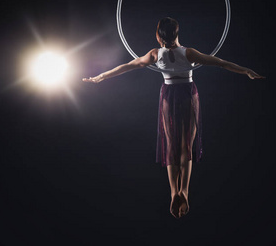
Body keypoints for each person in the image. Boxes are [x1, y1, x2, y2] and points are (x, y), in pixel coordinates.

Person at [83, 17, 264, 218]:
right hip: (187, 93)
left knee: (171, 144)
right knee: (186, 144)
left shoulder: (155, 54)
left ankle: (173, 192)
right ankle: (183, 191)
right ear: (177, 33)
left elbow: (128, 65)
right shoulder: (189, 53)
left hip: (168, 95)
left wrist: (101, 76)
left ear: (158, 36)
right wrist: (245, 70)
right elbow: (220, 63)